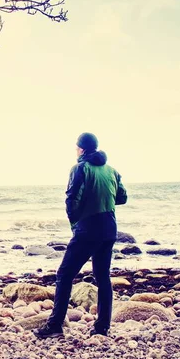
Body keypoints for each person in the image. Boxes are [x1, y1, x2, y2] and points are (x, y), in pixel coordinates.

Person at [34, 132, 127, 339]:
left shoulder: (80, 168)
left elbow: (71, 199)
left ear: (82, 149)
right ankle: (102, 327)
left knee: (64, 275)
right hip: (109, 228)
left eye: (77, 147)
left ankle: (55, 325)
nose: (76, 150)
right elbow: (122, 197)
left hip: (87, 229)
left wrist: (76, 223)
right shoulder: (112, 171)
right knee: (103, 277)